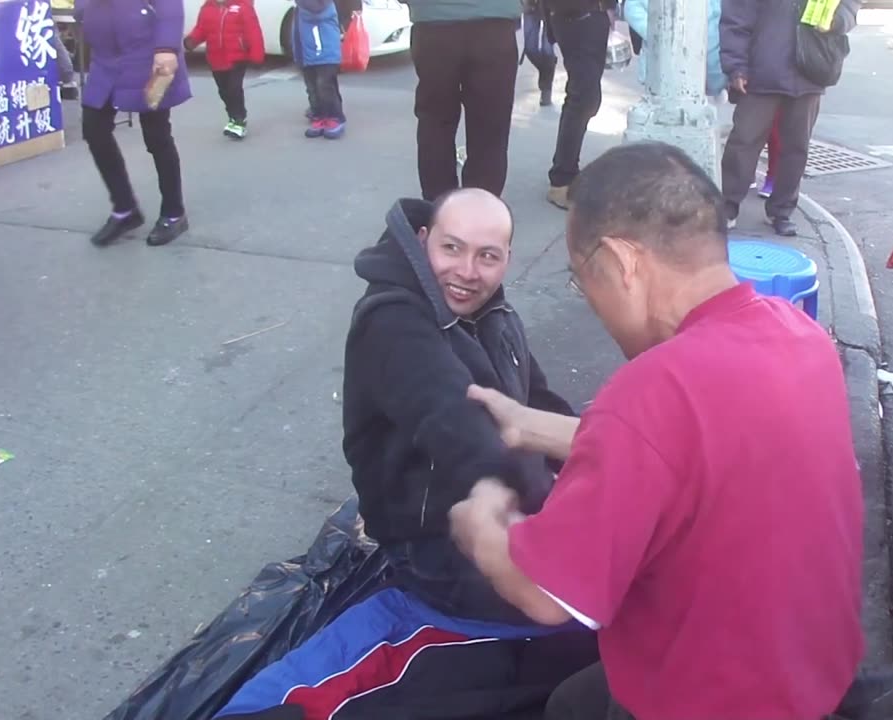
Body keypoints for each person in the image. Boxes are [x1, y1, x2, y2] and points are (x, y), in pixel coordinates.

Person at [448, 142, 865, 719]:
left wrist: (483, 521)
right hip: (815, 671)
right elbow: (690, 450)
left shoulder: (653, 389)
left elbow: (544, 594)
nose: (590, 302)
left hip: (716, 701)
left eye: (582, 280)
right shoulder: (798, 336)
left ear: (623, 263)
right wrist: (528, 426)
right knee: (573, 701)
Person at [343, 188, 577, 624]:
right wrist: (567, 518)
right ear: (423, 238)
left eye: (487, 256)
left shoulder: (494, 311)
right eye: (452, 248)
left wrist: (602, 462)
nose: (467, 272)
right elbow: (467, 438)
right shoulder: (393, 324)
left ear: (508, 257)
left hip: (502, 498)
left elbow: (542, 401)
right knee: (596, 603)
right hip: (431, 540)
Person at [719, 0, 858, 235]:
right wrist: (736, 66)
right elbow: (735, 19)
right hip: (762, 71)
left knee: (796, 147)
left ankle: (782, 211)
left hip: (811, 69)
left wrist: (837, 21)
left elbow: (849, 6)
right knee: (743, 141)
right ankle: (727, 206)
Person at [78, 0, 191, 247]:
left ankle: (174, 212)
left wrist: (167, 47)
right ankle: (125, 208)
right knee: (93, 129)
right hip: (105, 60)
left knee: (157, 137)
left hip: (148, 56)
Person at [406, 0, 520, 200]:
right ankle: (479, 208)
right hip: (494, 21)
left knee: (435, 122)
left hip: (433, 22)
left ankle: (439, 207)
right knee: (490, 127)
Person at [542, 0, 615, 210]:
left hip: (590, 15)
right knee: (583, 97)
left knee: (587, 97)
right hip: (576, 15)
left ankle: (565, 171)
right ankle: (561, 178)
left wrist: (608, 8)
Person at [184, 0, 265, 140]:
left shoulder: (243, 7)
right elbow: (201, 29)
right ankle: (232, 117)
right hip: (215, 58)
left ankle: (240, 119)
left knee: (234, 88)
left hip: (237, 57)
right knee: (224, 90)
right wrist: (191, 40)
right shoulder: (207, 8)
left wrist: (257, 55)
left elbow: (253, 32)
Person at [622, 0, 725, 101]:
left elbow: (718, 19)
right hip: (663, 68)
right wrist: (660, 36)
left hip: (704, 71)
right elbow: (632, 8)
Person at [293, 0, 346, 139]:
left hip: (326, 54)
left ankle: (335, 117)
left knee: (325, 86)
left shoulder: (323, 5)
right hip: (308, 55)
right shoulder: (299, 9)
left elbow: (316, 12)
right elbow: (296, 33)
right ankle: (319, 116)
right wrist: (298, 55)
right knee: (312, 87)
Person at [522, 0, 557, 108]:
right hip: (530, 6)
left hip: (551, 7)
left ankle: (546, 89)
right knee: (530, 48)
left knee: (547, 50)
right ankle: (548, 68)